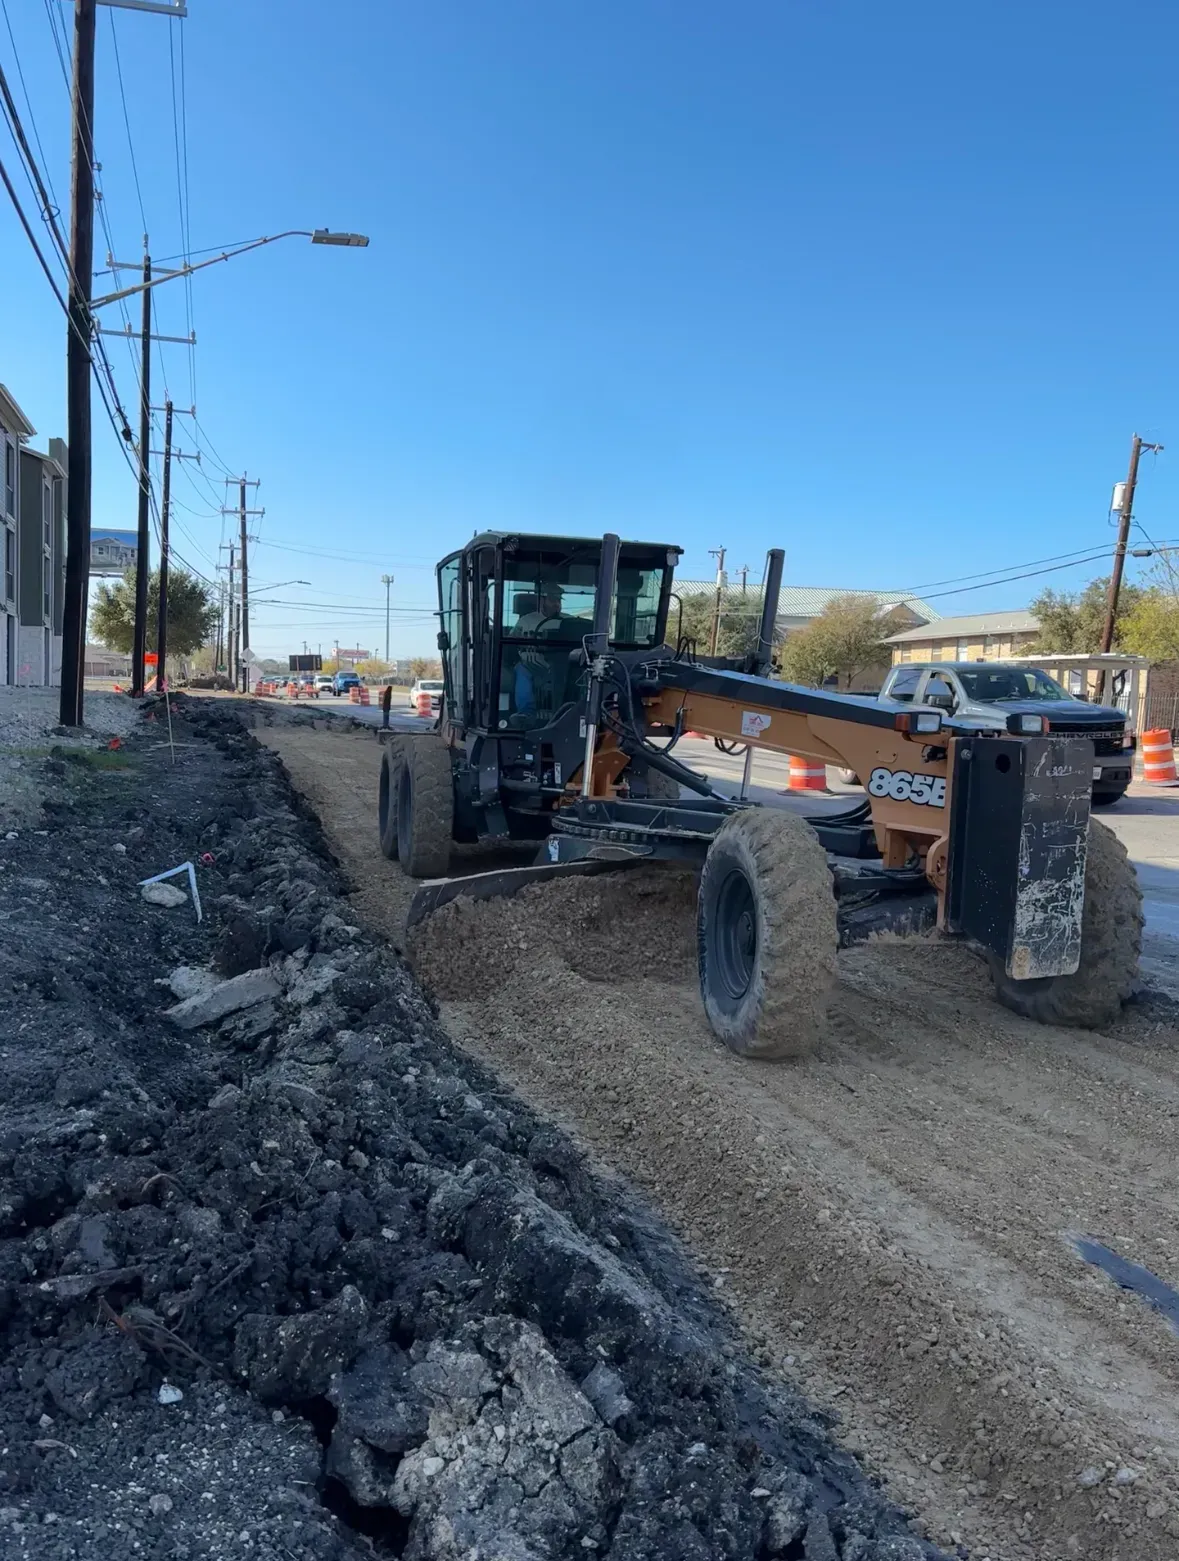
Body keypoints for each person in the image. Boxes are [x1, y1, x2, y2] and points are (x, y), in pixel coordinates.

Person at [513, 582, 565, 715]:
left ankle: (569, 714)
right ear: (541, 600)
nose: (557, 604)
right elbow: (511, 642)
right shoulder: (526, 620)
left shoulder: (568, 622)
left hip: (561, 666)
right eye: (553, 600)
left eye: (559, 600)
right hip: (533, 665)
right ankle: (525, 714)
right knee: (521, 669)